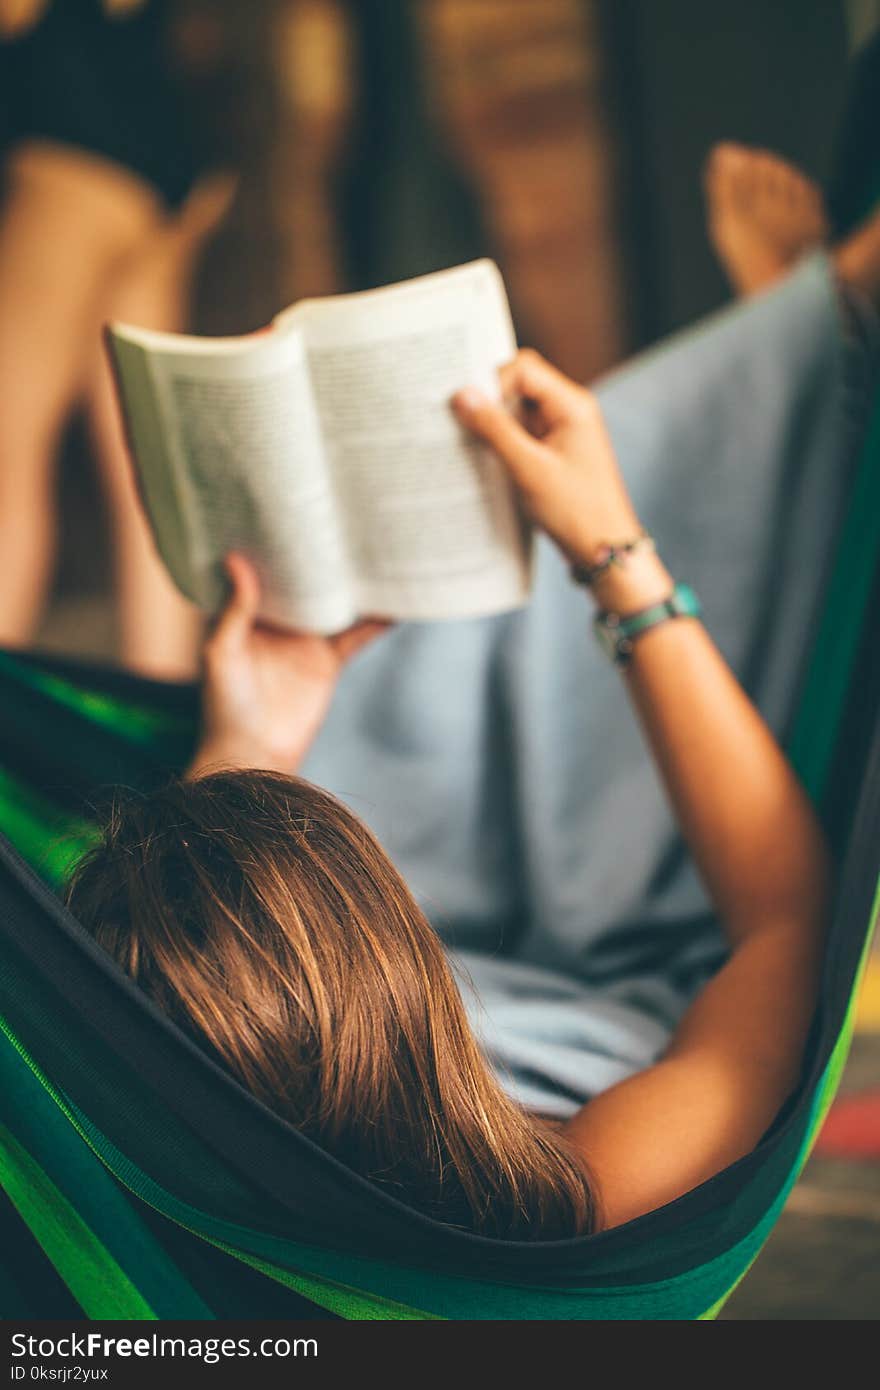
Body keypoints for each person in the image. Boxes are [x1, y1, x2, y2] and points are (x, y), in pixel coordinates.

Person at [63, 161, 880, 1237]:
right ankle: (813, 337)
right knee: (602, 478)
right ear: (410, 990)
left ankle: (804, 339)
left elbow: (206, 1035)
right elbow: (786, 921)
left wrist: (250, 736)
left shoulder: (119, 1178)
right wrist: (609, 553)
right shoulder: (592, 1186)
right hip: (620, 624)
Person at [0, 0, 233, 677]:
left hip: (72, 158)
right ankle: (168, 738)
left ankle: (6, 736)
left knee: (7, 458)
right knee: (144, 473)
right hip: (169, 154)